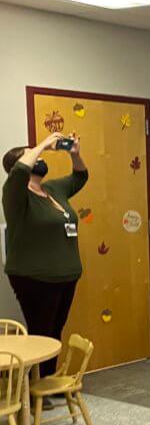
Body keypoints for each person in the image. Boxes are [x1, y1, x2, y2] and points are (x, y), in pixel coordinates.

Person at [2, 132, 87, 378]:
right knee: (41, 333)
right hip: (34, 276)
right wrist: (41, 145)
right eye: (30, 154)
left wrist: (75, 154)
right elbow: (19, 172)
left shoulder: (52, 189)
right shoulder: (16, 194)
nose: (39, 157)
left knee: (55, 331)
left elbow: (80, 177)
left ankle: (46, 382)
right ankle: (32, 388)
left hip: (67, 274)